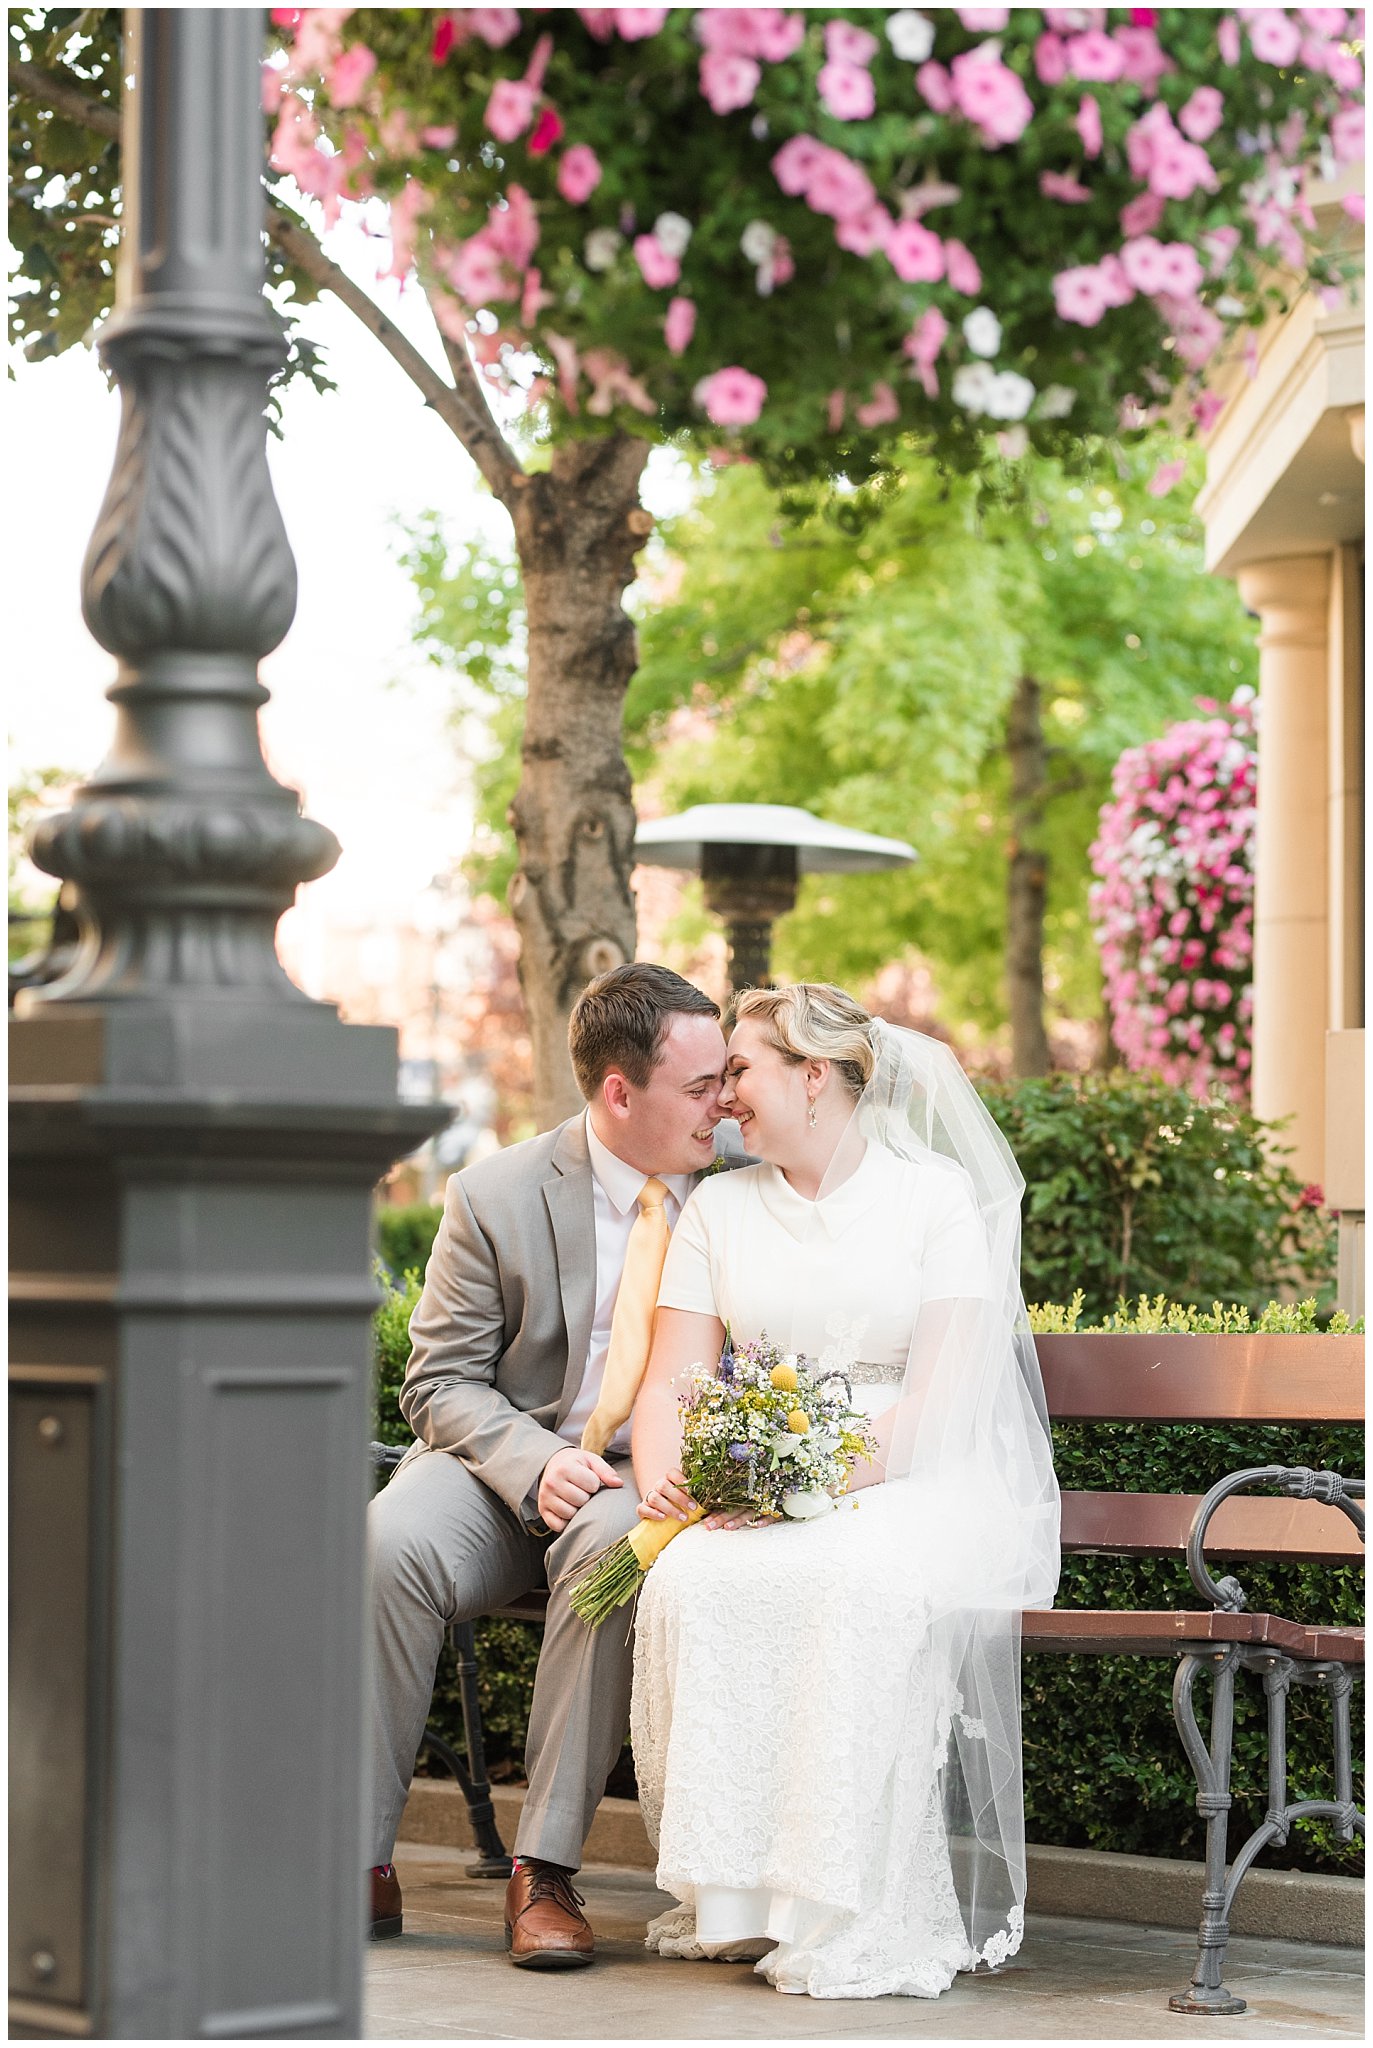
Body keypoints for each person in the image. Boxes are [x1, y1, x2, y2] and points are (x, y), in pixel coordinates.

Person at [630, 983, 1061, 2000]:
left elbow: (938, 1401)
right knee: (690, 1577)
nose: (723, 1092)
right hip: (763, 1471)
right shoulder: (719, 1208)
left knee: (854, 1577)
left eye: (741, 1067)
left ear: (811, 1075)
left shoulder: (936, 1199)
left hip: (917, 1473)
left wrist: (801, 1479)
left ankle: (841, 1900)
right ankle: (738, 1896)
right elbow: (668, 1378)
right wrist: (666, 1481)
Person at [368, 963, 737, 1967]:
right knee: (387, 1542)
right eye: (701, 1085)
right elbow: (437, 1380)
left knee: (616, 1549)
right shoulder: (492, 1191)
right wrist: (533, 1462)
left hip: (639, 1479)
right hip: (498, 1466)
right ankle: (354, 1856)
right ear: (621, 1092)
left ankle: (544, 1868)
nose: (726, 1100)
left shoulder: (746, 1183)